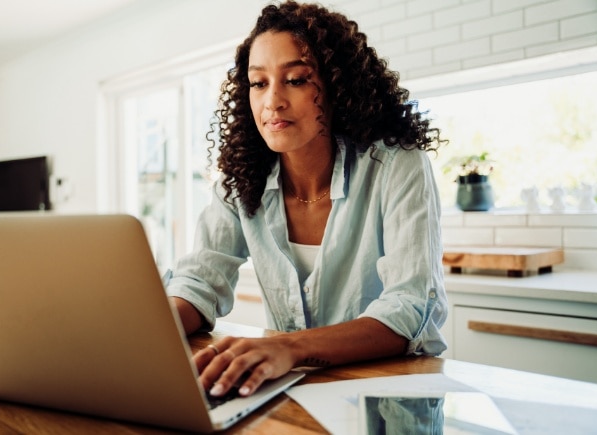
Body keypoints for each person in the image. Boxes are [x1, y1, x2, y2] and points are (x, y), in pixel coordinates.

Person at [164, 0, 447, 399]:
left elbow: (409, 306)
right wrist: (148, 329)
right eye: (259, 83)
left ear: (336, 86)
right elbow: (200, 281)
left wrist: (290, 347)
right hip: (294, 389)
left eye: (295, 80)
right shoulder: (240, 184)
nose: (272, 101)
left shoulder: (397, 167)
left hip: (395, 394)